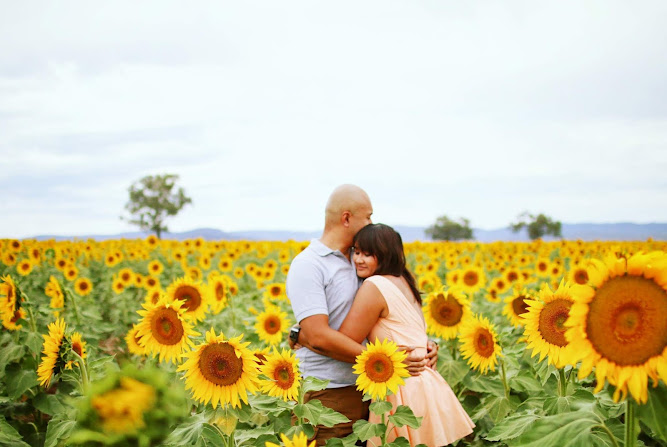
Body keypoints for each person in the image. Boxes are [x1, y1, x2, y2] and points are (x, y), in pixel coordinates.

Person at [286, 185, 438, 446]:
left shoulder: (364, 263)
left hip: (374, 390)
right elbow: (318, 336)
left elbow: (387, 314)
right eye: (368, 216)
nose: (372, 222)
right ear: (347, 218)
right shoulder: (309, 265)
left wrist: (423, 343)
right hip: (330, 392)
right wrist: (386, 361)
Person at [299, 223, 475, 446]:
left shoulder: (375, 285)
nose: (359, 260)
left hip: (401, 386)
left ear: (385, 255)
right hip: (426, 383)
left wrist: (301, 335)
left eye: (369, 254)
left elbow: (342, 342)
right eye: (357, 251)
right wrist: (429, 346)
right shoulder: (404, 280)